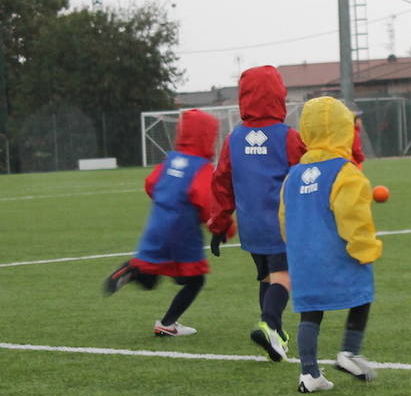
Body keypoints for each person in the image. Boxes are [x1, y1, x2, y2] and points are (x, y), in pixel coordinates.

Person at [279, 96, 383, 393]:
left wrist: (294, 245)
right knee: (362, 293)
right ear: (345, 128)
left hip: (303, 256)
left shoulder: (293, 175)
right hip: (337, 251)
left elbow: (284, 216)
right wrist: (365, 248)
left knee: (310, 311)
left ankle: (308, 373)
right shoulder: (346, 172)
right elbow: (353, 215)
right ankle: (349, 352)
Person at [103, 109, 231, 337]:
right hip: (182, 230)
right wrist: (224, 227)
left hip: (157, 224)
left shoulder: (171, 159)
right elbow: (206, 203)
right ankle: (167, 323)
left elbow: (151, 183)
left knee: (151, 275)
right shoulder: (201, 167)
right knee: (195, 280)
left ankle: (131, 272)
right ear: (206, 136)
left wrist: (167, 200)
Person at [208, 65, 306, 361]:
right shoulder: (288, 137)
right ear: (279, 95)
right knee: (284, 277)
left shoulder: (233, 140)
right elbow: (305, 173)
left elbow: (221, 182)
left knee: (267, 278)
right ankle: (270, 325)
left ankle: (275, 336)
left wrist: (219, 224)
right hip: (281, 224)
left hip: (251, 225)